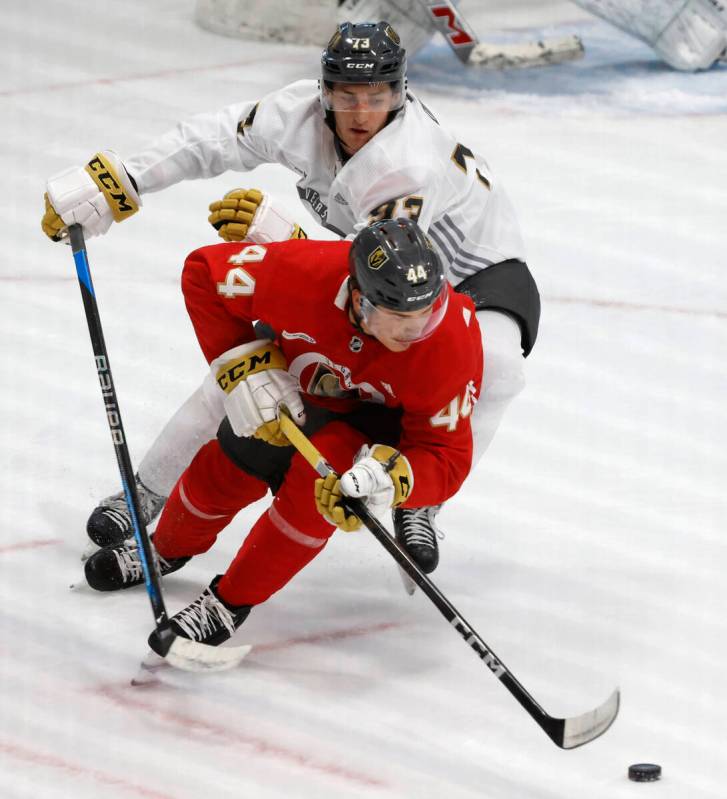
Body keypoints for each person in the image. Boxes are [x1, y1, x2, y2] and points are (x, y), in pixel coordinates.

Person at [42, 20, 539, 574]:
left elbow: (368, 283)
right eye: (346, 95)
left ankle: (420, 498)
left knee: (494, 368)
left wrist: (285, 242)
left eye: (377, 96)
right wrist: (127, 180)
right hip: (382, 278)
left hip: (475, 273)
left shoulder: (404, 167)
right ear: (324, 92)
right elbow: (217, 137)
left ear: (400, 96)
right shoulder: (297, 113)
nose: (360, 113)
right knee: (247, 377)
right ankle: (144, 493)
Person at [83, 218, 483, 650]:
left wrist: (393, 477)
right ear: (358, 299)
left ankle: (229, 602)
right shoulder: (299, 271)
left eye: (427, 313)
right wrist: (244, 366)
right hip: (291, 389)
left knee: (313, 500)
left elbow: (447, 454)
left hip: (366, 431)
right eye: (401, 318)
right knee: (224, 470)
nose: (417, 331)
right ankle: (165, 548)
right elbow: (203, 272)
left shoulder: (450, 343)